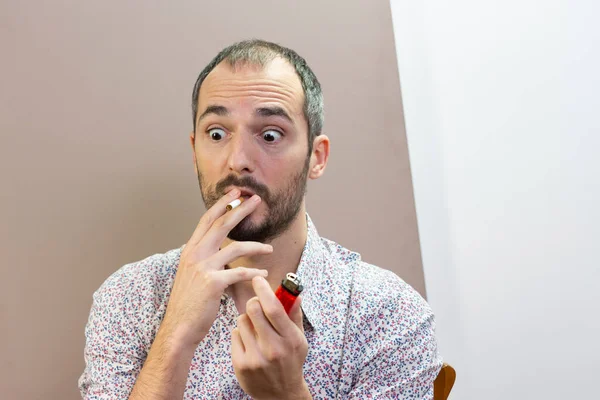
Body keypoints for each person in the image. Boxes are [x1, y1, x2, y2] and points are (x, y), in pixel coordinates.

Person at [79, 39, 443, 400]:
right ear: (194, 152)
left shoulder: (389, 316)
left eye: (270, 135)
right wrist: (174, 336)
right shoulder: (129, 297)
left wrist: (286, 393)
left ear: (316, 157)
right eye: (217, 133)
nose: (238, 160)